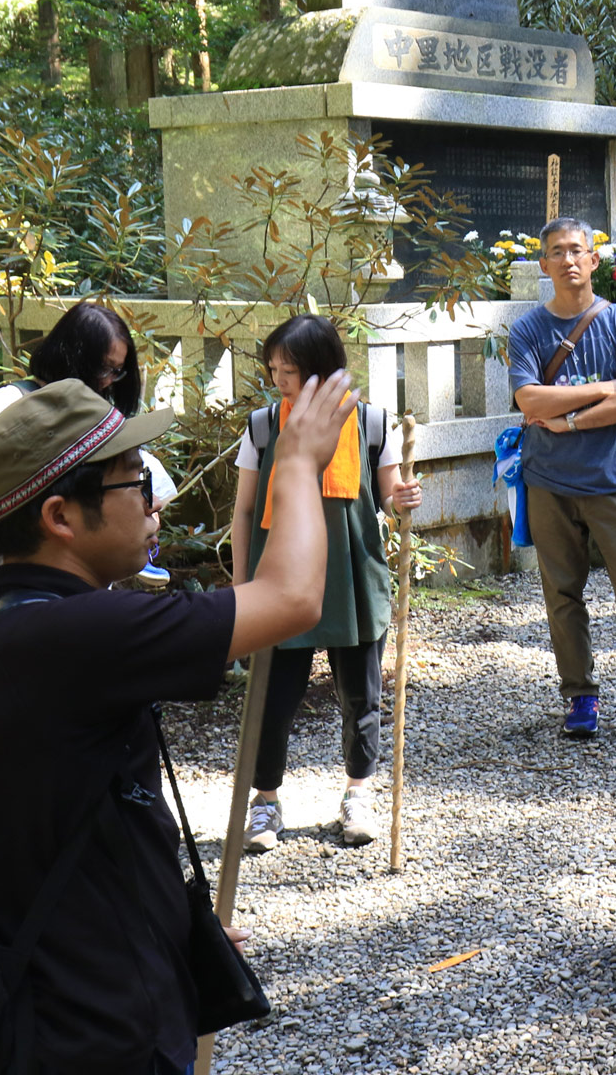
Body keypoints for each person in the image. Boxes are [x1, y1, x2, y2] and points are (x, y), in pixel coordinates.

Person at [0, 371, 354, 1074]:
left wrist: (167, 922)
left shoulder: (4, 626)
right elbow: (292, 598)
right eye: (134, 480)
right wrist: (295, 462)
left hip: (63, 1001)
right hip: (96, 1032)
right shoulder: (75, 634)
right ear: (60, 517)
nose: (156, 498)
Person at [233, 315, 422, 852]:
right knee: (273, 695)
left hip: (351, 572)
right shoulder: (265, 425)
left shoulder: (372, 423)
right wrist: (241, 585)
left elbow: (387, 494)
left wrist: (402, 498)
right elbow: (244, 512)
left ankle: (357, 795)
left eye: (288, 369)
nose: (278, 380)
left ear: (321, 369)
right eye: (273, 368)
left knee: (361, 694)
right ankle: (265, 802)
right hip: (277, 577)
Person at [509, 216, 616, 738]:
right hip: (548, 482)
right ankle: (580, 697)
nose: (567, 259)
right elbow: (529, 398)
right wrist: (603, 387)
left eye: (576, 250)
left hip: (613, 481)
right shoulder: (528, 330)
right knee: (562, 595)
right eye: (556, 251)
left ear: (594, 259)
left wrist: (572, 420)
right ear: (544, 265)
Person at [0, 301, 179, 616]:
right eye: (103, 368)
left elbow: (153, 487)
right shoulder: (7, 405)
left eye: (118, 370)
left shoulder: (92, 417)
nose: (109, 381)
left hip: (77, 592)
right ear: (70, 354)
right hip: (9, 592)